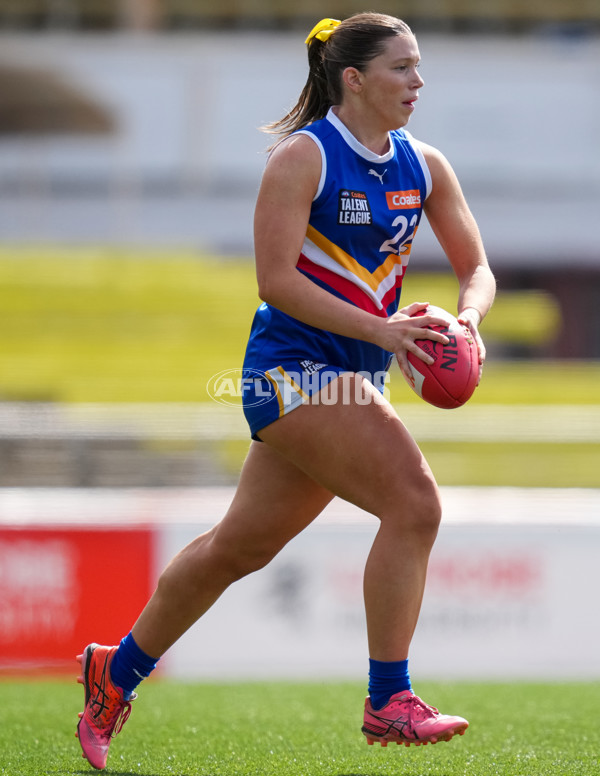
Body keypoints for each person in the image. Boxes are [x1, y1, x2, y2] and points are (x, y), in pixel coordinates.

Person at [75, 12, 496, 770]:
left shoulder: (426, 165)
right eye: (402, 68)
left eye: (420, 66)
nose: (418, 82)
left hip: (354, 373)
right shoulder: (302, 160)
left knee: (237, 549)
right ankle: (388, 701)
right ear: (355, 79)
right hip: (290, 369)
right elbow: (275, 282)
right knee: (415, 503)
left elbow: (478, 268)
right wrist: (384, 331)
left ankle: (117, 669)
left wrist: (468, 321)